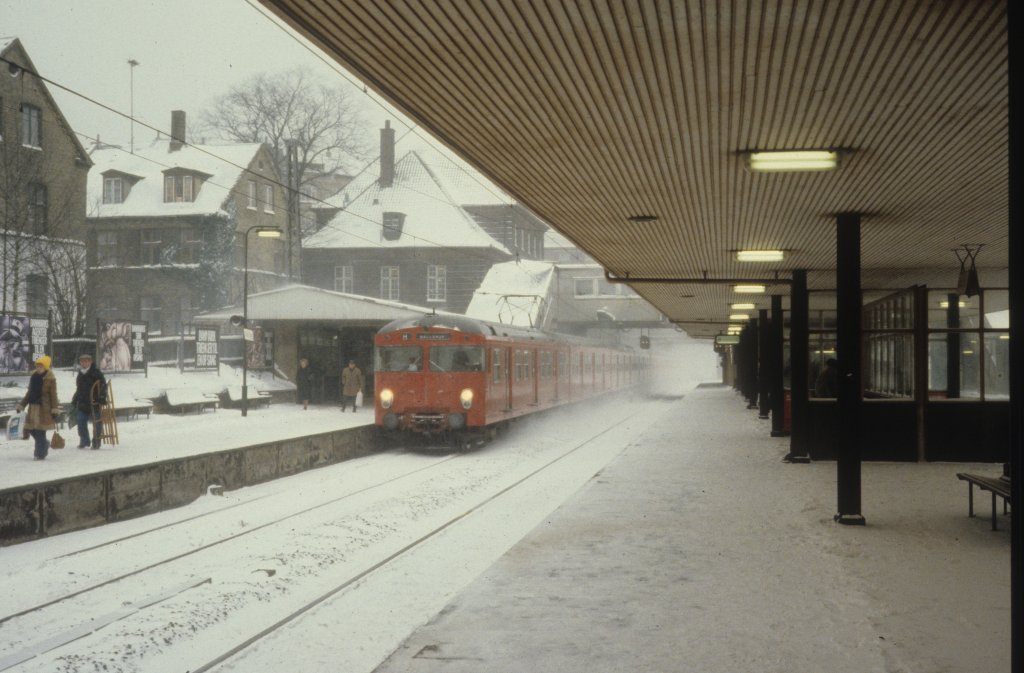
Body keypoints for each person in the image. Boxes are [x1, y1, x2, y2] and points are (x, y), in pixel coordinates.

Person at [16, 355, 59, 460]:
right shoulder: (34, 377)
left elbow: (53, 395)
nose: (38, 368)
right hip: (32, 408)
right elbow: (29, 393)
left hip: (43, 409)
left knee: (40, 432)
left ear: (46, 367)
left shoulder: (50, 379)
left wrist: (54, 409)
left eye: (41, 366)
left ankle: (38, 454)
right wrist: (22, 405)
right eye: (37, 366)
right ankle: (44, 444)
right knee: (30, 429)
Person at [71, 353, 107, 449]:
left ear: (90, 362)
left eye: (86, 361)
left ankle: (96, 441)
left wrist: (102, 396)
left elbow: (103, 385)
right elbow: (79, 389)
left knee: (97, 422)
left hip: (95, 401)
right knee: (81, 421)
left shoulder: (96, 372)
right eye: (82, 361)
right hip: (83, 402)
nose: (84, 363)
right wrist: (75, 399)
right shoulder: (80, 375)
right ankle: (84, 441)